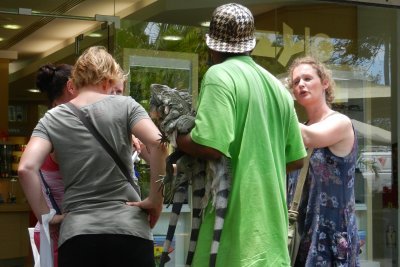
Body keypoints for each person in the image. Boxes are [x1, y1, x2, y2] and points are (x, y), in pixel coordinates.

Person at [172, 3, 306, 266]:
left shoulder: (219, 75)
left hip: (232, 239)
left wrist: (176, 137)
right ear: (251, 45)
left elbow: (211, 146)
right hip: (272, 242)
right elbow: (296, 159)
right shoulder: (277, 88)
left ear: (211, 46)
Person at [18, 46, 168, 267]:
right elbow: (158, 142)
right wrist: (155, 199)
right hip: (130, 230)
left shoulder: (52, 118)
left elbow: (26, 168)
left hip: (78, 234)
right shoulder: (126, 106)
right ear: (108, 80)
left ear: (76, 81)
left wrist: (46, 216)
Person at [286, 56, 360, 266]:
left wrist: (277, 102)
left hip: (332, 240)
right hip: (302, 237)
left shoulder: (340, 122)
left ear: (325, 82)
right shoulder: (298, 128)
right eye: (295, 82)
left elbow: (309, 137)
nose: (300, 84)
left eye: (307, 78)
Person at [33, 63, 77, 267]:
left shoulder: (43, 127)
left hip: (50, 234)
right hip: (63, 235)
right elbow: (25, 170)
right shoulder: (61, 125)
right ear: (71, 87)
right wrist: (50, 217)